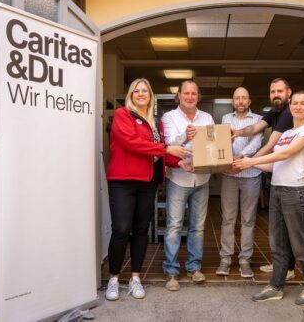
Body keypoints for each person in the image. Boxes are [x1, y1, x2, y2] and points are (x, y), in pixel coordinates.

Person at [104, 78, 190, 301]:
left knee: (141, 230)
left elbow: (158, 154)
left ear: (150, 95)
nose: (141, 94)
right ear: (131, 95)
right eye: (136, 91)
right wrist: (166, 147)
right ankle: (113, 278)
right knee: (122, 229)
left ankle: (135, 277)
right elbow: (132, 143)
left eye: (145, 91)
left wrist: (178, 162)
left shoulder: (155, 122)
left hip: (147, 182)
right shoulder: (123, 115)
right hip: (122, 180)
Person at [233, 90, 304, 305]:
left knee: (300, 244)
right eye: (295, 103)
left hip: (295, 192)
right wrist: (240, 165)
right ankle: (276, 285)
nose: (298, 107)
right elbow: (274, 164)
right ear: (290, 106)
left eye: (303, 104)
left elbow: (285, 154)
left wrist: (250, 161)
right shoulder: (288, 131)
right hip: (277, 190)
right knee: (278, 243)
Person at [232, 77, 296, 281]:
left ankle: (290, 269)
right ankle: (281, 265)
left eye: (279, 91)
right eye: (272, 91)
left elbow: (270, 145)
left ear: (289, 93)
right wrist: (237, 132)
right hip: (277, 174)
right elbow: (254, 128)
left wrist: (248, 162)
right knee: (278, 225)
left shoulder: (287, 114)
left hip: (290, 177)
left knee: (289, 228)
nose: (275, 95)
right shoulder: (275, 112)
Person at [161, 80, 215, 291]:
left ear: (198, 96)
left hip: (202, 179)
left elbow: (212, 144)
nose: (190, 97)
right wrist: (186, 136)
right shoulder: (169, 117)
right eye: (186, 93)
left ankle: (194, 268)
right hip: (178, 178)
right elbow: (168, 145)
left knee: (198, 227)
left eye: (194, 93)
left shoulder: (207, 117)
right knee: (174, 226)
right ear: (179, 95)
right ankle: (172, 271)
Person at [216, 87, 263, 278]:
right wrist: (227, 162)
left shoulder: (259, 120)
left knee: (248, 220)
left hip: (251, 174)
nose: (241, 101)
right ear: (233, 101)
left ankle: (245, 261)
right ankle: (225, 260)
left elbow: (257, 142)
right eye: (237, 98)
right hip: (229, 175)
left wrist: (240, 158)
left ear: (249, 101)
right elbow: (221, 143)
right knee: (227, 219)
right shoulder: (226, 119)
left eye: (244, 98)